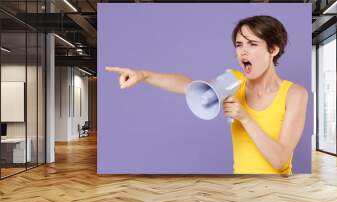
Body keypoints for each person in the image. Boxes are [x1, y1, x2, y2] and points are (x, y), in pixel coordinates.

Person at [106, 15, 308, 175]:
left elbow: (280, 159)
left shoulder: (295, 94)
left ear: (273, 49)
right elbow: (188, 86)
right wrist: (144, 75)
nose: (243, 53)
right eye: (239, 45)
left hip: (279, 192)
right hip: (241, 187)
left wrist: (245, 117)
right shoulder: (234, 79)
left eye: (252, 44)